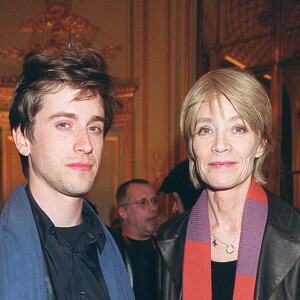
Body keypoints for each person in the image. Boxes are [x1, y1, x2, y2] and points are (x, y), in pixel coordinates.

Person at [0, 46, 135, 300]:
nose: (85, 144)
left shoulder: (119, 251)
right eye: (64, 124)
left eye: (94, 127)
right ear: (22, 139)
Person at [156, 67, 300, 299]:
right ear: (192, 147)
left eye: (238, 128)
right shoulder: (170, 239)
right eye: (205, 130)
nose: (220, 145)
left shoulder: (295, 235)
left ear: (261, 144)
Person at [110, 179, 159, 300]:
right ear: (122, 212)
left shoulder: (167, 249)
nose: (153, 208)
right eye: (143, 202)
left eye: (154, 201)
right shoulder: (111, 252)